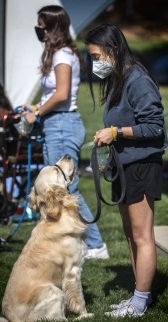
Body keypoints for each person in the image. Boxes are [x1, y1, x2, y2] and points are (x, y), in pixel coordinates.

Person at [84, 23, 168, 317]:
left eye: (96, 56)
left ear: (113, 50)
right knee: (131, 235)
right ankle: (137, 297)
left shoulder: (138, 80)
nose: (94, 63)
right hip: (123, 167)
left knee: (142, 235)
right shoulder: (119, 79)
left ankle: (141, 302)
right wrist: (111, 156)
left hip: (142, 167)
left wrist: (115, 133)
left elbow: (154, 127)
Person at [23, 5, 109, 259]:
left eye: (41, 24)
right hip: (56, 123)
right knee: (61, 190)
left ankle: (95, 245)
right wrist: (37, 106)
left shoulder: (62, 55)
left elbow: (61, 94)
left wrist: (36, 113)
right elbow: (55, 95)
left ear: (52, 26)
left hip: (62, 124)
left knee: (67, 189)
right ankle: (70, 240)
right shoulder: (59, 53)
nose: (38, 28)